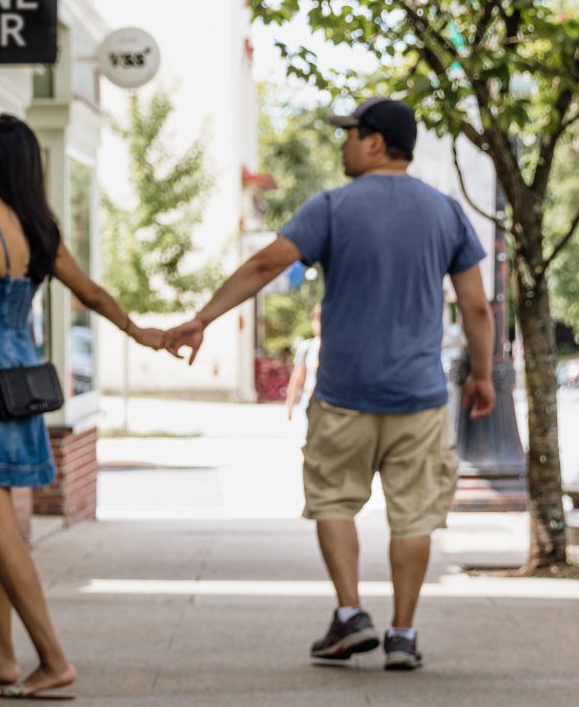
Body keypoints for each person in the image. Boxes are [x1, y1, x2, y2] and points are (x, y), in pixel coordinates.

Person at [165, 97, 494, 671]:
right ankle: (403, 634)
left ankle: (349, 615)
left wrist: (203, 318)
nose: (342, 145)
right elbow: (477, 309)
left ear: (374, 143)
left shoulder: (334, 208)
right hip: (418, 398)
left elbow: (265, 266)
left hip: (344, 395)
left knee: (333, 503)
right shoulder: (446, 213)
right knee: (414, 517)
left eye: (349, 136)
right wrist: (483, 375)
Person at [0, 114, 166, 700]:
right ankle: (0, 653)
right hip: (22, 381)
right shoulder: (35, 226)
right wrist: (143, 334)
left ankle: (53, 659)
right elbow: (90, 293)